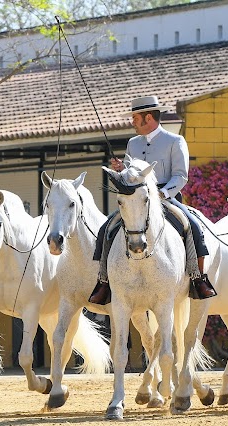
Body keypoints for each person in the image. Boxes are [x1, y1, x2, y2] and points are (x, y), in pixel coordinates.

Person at [88, 95, 217, 305]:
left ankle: (198, 279)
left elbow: (181, 176)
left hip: (165, 196)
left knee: (193, 227)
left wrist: (162, 194)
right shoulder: (132, 143)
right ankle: (103, 282)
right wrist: (122, 170)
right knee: (105, 229)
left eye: (135, 118)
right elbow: (132, 175)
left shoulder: (175, 141)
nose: (132, 122)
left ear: (148, 118)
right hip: (137, 199)